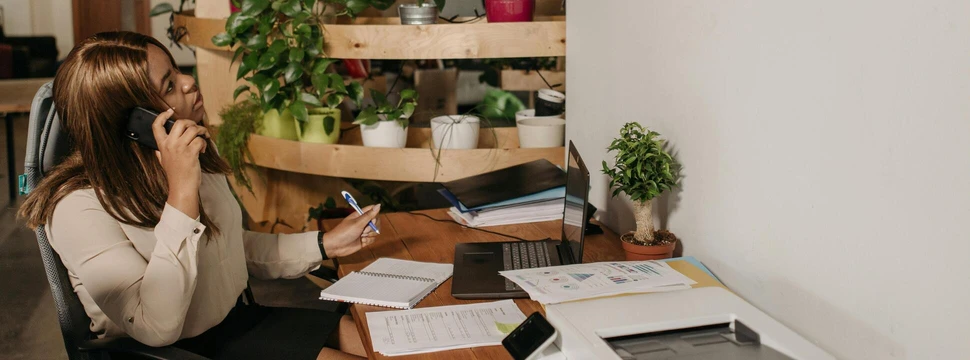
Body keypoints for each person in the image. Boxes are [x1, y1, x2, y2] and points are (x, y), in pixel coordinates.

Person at [19, 31, 378, 360]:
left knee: (382, 343)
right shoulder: (77, 208)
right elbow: (156, 326)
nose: (189, 82)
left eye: (177, 71)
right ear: (134, 121)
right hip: (174, 351)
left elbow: (232, 248)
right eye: (170, 84)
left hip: (236, 324)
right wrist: (182, 194)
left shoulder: (191, 153)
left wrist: (325, 244)